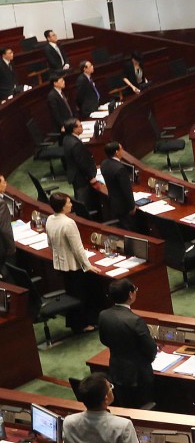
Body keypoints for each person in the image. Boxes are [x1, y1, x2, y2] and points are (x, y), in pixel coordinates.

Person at [98, 279, 158, 408]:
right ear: (130, 294)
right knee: (144, 408)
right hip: (138, 376)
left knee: (126, 406)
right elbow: (151, 350)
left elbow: (103, 340)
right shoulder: (135, 321)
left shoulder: (103, 315)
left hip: (116, 371)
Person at [46, 192, 97, 331]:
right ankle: (82, 324)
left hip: (61, 264)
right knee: (81, 295)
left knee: (72, 293)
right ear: (63, 206)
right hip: (74, 266)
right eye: (68, 202)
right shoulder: (69, 223)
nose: (71, 204)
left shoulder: (50, 219)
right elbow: (77, 248)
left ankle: (75, 323)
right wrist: (88, 266)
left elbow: (50, 243)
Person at [62, 118, 101, 209]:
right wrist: (91, 177)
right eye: (80, 126)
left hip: (75, 174)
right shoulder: (75, 144)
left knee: (79, 197)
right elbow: (82, 163)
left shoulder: (67, 138)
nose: (82, 127)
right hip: (81, 177)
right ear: (74, 129)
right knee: (84, 202)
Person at [100, 141, 137, 231]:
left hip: (113, 201)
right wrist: (132, 206)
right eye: (121, 149)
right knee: (128, 228)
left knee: (122, 225)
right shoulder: (120, 169)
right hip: (124, 205)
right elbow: (126, 190)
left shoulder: (104, 164)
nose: (122, 150)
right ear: (117, 152)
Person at [0, 175, 15, 276]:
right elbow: (5, 230)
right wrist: (12, 248)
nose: (6, 184)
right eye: (4, 182)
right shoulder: (1, 203)